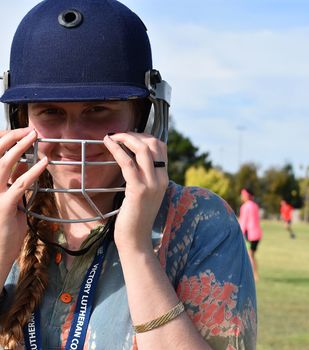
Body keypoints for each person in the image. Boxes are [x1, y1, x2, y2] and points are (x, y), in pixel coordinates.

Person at [0, 1, 256, 349]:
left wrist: (136, 252)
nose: (73, 135)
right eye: (50, 111)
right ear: (19, 120)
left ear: (144, 118)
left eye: (98, 109)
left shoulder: (200, 223)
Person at [239, 189, 263, 282]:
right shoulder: (255, 205)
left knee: (249, 255)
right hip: (257, 234)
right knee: (251, 255)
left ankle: (254, 275)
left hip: (250, 235)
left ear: (246, 195)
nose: (241, 197)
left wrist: (240, 234)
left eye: (242, 195)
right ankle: (254, 274)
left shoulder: (245, 206)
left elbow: (243, 222)